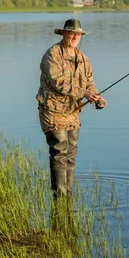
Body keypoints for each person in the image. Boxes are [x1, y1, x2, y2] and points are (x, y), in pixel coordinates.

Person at [36, 18, 107, 200]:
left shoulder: (84, 59)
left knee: (71, 153)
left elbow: (90, 83)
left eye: (78, 34)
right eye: (72, 33)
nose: (75, 37)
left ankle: (68, 195)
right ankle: (59, 195)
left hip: (73, 113)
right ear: (64, 34)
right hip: (52, 111)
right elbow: (58, 83)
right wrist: (85, 93)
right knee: (59, 151)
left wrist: (97, 97)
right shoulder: (52, 55)